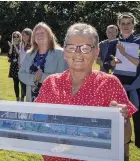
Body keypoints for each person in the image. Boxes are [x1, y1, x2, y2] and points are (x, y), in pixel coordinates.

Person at [35, 22, 137, 161]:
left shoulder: (110, 83)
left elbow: (125, 138)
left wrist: (121, 120)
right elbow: (34, 122)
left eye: (85, 48)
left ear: (96, 52)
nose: (77, 53)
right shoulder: (51, 83)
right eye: (71, 47)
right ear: (64, 51)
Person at [103, 12, 140, 149]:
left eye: (128, 23)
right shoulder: (113, 43)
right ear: (119, 25)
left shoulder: (139, 41)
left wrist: (124, 54)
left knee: (139, 119)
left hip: (137, 87)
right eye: (122, 23)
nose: (125, 26)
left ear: (133, 24)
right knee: (118, 120)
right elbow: (106, 63)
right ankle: (121, 150)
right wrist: (113, 63)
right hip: (118, 87)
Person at [18, 22, 67, 102]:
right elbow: (21, 74)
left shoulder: (60, 53)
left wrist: (42, 77)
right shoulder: (29, 54)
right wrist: (34, 78)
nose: (39, 35)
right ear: (33, 38)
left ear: (49, 35)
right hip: (31, 100)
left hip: (52, 101)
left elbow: (63, 78)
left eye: (42, 33)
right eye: (36, 34)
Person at [7, 31, 22, 101]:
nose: (15, 38)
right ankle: (17, 98)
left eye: (17, 36)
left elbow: (20, 54)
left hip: (20, 66)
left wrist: (14, 45)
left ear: (20, 37)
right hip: (13, 67)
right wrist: (11, 47)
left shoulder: (22, 45)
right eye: (14, 37)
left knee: (22, 83)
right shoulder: (12, 46)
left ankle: (22, 97)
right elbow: (9, 56)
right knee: (15, 83)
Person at [19, 28, 32, 102]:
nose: (24, 37)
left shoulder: (32, 45)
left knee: (27, 87)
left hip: (28, 70)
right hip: (21, 68)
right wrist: (19, 63)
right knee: (22, 86)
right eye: (23, 35)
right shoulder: (21, 44)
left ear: (30, 36)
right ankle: (22, 100)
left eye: (26, 35)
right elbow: (20, 55)